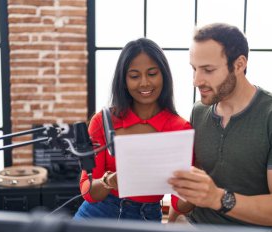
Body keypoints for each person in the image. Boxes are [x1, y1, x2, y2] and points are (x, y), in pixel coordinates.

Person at [167, 23, 272, 232]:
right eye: (194, 69)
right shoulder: (199, 111)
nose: (196, 80)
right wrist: (168, 224)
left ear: (239, 64)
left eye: (208, 70)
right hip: (196, 229)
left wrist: (217, 198)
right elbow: (190, 184)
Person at [73, 38, 192, 222]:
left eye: (152, 73)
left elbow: (180, 204)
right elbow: (87, 190)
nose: (144, 83)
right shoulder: (103, 121)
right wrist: (108, 182)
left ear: (164, 75)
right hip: (98, 213)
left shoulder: (180, 128)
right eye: (134, 76)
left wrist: (193, 189)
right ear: (124, 80)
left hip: (147, 216)